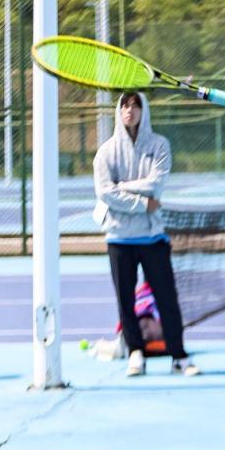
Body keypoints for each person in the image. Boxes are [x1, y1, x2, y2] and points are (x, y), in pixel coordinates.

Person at [93, 91, 199, 378]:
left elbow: (157, 183)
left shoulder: (159, 145)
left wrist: (121, 187)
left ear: (143, 110)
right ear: (119, 111)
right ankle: (135, 353)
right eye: (125, 105)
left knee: (167, 299)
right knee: (125, 301)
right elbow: (104, 192)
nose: (130, 110)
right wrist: (142, 203)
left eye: (135, 105)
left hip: (153, 238)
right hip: (118, 238)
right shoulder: (106, 152)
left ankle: (178, 356)